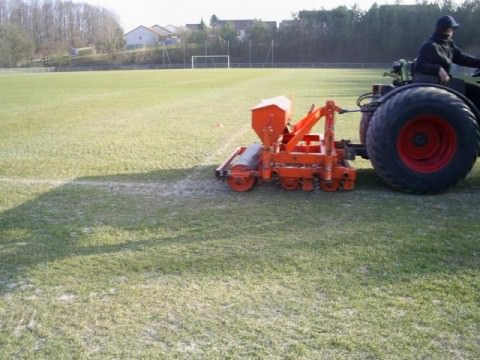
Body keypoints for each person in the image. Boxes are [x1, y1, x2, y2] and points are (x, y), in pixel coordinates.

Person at [415, 15, 480, 84]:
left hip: (445, 84)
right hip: (434, 86)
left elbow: (462, 58)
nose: (453, 31)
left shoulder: (448, 44)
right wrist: (438, 69)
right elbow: (419, 65)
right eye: (453, 29)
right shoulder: (430, 45)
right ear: (449, 29)